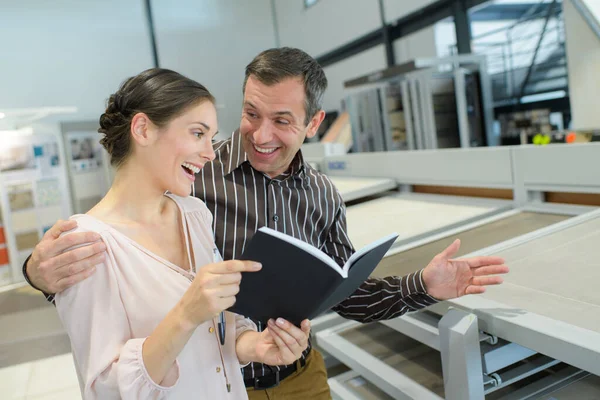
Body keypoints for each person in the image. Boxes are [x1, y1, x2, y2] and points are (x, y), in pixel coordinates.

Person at [24, 48, 508, 400]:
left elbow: (344, 290)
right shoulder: (190, 179)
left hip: (291, 371)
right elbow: (118, 255)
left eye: (282, 120)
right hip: (208, 381)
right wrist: (37, 272)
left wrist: (422, 285)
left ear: (313, 123)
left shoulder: (319, 194)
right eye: (251, 114)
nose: (260, 134)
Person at [52, 68, 311, 399]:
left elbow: (217, 327)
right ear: (143, 129)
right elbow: (106, 389)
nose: (210, 152)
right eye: (198, 133)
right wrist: (186, 313)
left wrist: (255, 345)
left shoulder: (195, 213)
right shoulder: (87, 242)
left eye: (211, 136)